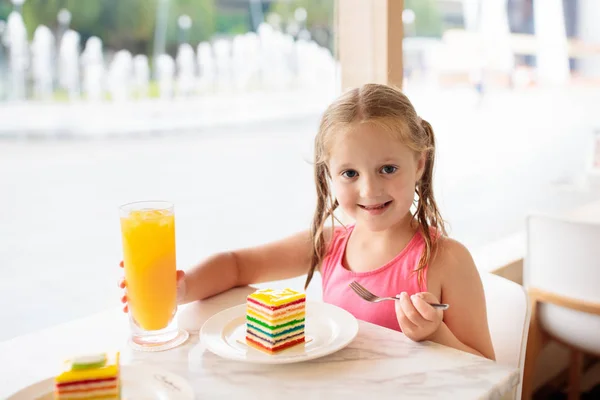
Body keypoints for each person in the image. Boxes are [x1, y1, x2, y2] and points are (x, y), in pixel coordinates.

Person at [119, 84, 495, 360]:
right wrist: (182, 290)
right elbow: (238, 265)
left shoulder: (446, 260)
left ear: (420, 163)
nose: (370, 188)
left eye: (388, 168)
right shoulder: (329, 244)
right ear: (328, 174)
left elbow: (490, 372)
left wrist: (435, 333)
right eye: (349, 173)